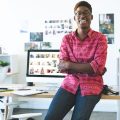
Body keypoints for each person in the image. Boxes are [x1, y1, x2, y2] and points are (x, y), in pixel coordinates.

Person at [44, 1, 107, 120]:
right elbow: (62, 67)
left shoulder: (100, 39)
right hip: (69, 84)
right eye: (78, 13)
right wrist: (89, 67)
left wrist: (69, 64)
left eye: (86, 13)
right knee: (50, 117)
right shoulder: (67, 39)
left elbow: (98, 66)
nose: (82, 15)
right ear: (75, 17)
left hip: (91, 85)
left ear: (91, 17)